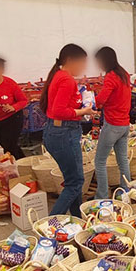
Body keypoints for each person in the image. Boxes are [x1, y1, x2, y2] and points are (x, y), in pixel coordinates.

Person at [41, 44, 94, 216]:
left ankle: (77, 219)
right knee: (75, 182)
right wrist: (83, 111)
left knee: (74, 180)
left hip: (57, 131)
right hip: (64, 133)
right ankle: (51, 225)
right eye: (82, 63)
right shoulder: (66, 79)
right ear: (71, 60)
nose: (84, 67)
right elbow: (59, 110)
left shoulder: (59, 76)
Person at [93, 47, 132, 199]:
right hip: (124, 124)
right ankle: (126, 191)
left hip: (113, 125)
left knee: (100, 161)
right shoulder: (124, 74)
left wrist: (90, 102)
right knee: (122, 160)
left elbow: (101, 99)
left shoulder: (111, 76)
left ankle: (101, 197)